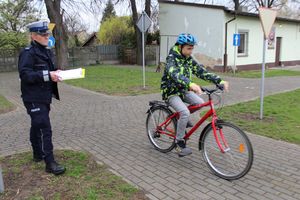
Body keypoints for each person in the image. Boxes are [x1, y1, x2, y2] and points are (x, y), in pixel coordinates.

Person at [161, 33, 229, 157]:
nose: (191, 51)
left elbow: (201, 72)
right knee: (185, 113)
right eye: (188, 48)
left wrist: (219, 80)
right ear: (180, 47)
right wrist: (190, 84)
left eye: (192, 48)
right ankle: (179, 142)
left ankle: (180, 118)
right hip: (171, 92)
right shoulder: (171, 58)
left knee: (199, 103)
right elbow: (173, 73)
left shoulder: (188, 59)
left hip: (184, 90)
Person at [18, 20, 66, 175]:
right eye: (43, 34)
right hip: (33, 97)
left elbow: (48, 70)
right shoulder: (28, 53)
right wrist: (47, 75)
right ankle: (49, 162)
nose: (46, 36)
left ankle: (37, 153)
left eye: (47, 33)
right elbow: (25, 75)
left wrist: (56, 73)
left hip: (44, 96)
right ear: (33, 36)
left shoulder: (46, 51)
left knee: (37, 124)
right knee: (45, 126)